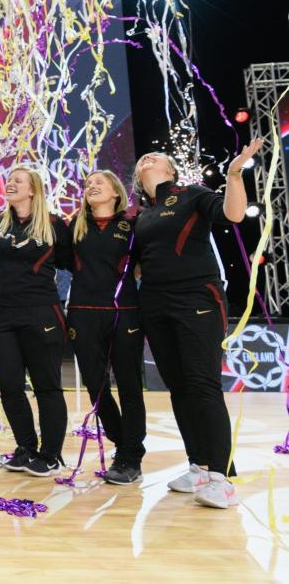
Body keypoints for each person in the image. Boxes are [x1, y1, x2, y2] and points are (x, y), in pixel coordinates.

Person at [134, 141, 261, 509]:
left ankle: (221, 477)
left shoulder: (190, 194)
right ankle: (199, 466)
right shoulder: (142, 213)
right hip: (155, 303)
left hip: (196, 297)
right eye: (144, 157)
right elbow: (141, 262)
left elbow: (232, 214)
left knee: (202, 384)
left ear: (171, 171)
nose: (147, 157)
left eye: (154, 156)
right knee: (178, 388)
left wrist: (234, 174)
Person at [0, 166, 73, 478]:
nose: (10, 184)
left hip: (41, 312)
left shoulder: (54, 225)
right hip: (2, 314)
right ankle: (26, 448)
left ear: (33, 190)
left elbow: (69, 261)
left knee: (46, 386)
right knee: (10, 385)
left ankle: (51, 455)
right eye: (9, 180)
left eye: (18, 181)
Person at [67, 170, 145, 486]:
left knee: (128, 385)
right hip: (83, 313)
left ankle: (130, 455)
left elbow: (142, 264)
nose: (92, 186)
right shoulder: (74, 226)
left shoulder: (132, 226)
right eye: (88, 183)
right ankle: (120, 440)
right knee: (95, 386)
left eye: (100, 182)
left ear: (116, 192)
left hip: (124, 313)